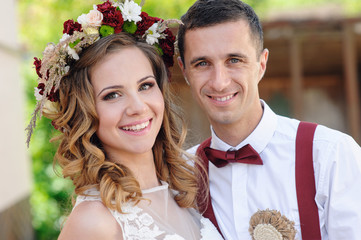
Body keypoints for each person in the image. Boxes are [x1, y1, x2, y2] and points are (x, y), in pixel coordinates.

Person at [26, 1, 223, 239]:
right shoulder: (93, 222)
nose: (138, 107)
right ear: (85, 112)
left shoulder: (187, 187)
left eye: (145, 86)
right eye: (112, 95)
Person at [177, 0, 361, 239]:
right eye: (202, 63)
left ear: (261, 64)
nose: (219, 82)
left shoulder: (330, 156)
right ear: (184, 72)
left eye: (234, 60)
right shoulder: (181, 174)